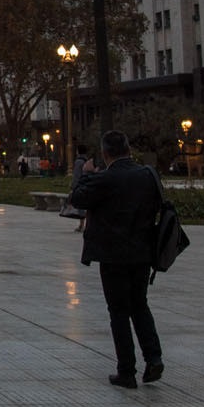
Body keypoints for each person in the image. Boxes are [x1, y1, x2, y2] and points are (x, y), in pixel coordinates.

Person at [69, 130, 166, 389]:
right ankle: (153, 357)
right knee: (140, 305)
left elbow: (75, 199)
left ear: (105, 153)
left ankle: (127, 371)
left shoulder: (104, 179)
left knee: (119, 312)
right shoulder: (147, 175)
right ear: (129, 150)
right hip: (142, 253)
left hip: (113, 255)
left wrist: (86, 174)